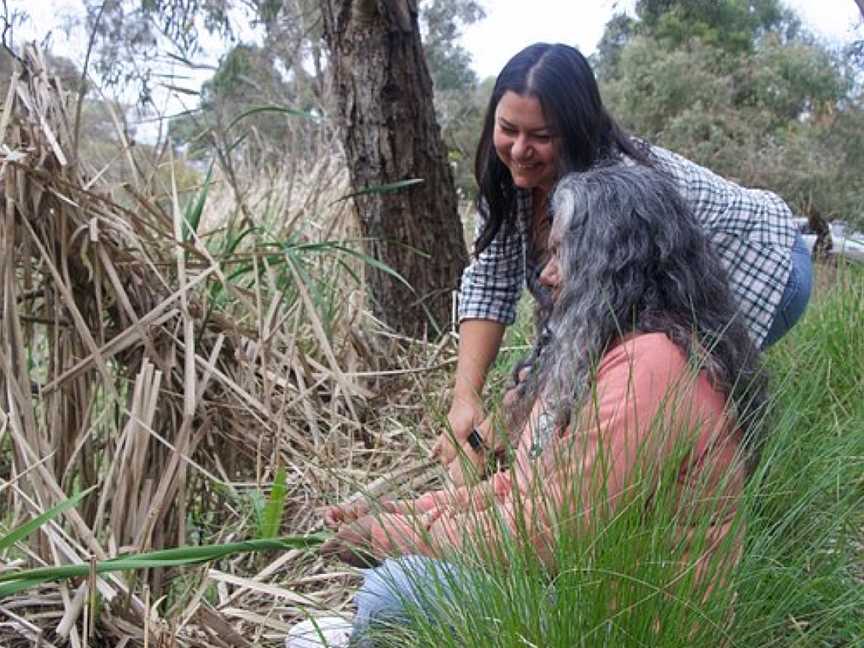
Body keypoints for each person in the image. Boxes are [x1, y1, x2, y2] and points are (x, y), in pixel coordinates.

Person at [319, 165, 768, 645]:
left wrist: (389, 538)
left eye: (560, 253)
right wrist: (406, 513)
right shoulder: (614, 351)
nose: (547, 274)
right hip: (594, 595)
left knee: (395, 590)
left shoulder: (652, 367)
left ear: (612, 260)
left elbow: (551, 534)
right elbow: (524, 489)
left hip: (637, 626)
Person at [433, 42, 809, 482]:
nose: (518, 150)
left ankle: (696, 490)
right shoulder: (507, 182)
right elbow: (489, 282)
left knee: (667, 379)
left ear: (575, 131)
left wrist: (491, 434)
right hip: (699, 264)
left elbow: (587, 332)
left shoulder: (614, 188)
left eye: (540, 137)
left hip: (764, 259)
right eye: (508, 129)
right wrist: (466, 399)